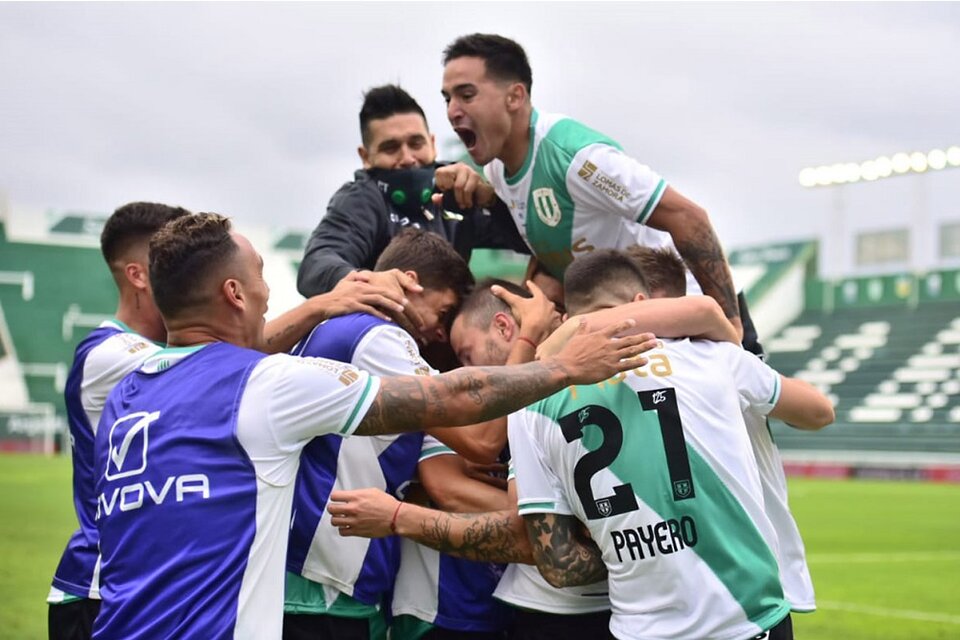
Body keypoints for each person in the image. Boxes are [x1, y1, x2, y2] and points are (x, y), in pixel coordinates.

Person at [89, 213, 655, 640]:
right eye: (260, 277)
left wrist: (320, 306)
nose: (269, 294)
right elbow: (473, 419)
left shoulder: (131, 392)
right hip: (318, 592)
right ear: (234, 293)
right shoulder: (335, 351)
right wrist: (558, 363)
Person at [46, 202, 437, 640]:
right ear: (142, 275)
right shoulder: (111, 357)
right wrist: (324, 305)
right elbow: (216, 363)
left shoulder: (169, 363)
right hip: (97, 581)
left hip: (147, 581)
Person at [511, 249, 833, 639]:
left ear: (568, 314)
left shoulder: (531, 408)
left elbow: (559, 564)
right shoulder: (712, 357)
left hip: (640, 627)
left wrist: (639, 550)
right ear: (643, 303)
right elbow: (819, 412)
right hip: (744, 619)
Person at [435, 33, 744, 339]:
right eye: (448, 98)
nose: (452, 111)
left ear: (515, 96)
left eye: (467, 95)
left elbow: (689, 217)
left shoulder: (575, 156)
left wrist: (730, 323)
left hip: (690, 324)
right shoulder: (497, 170)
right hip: (630, 329)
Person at [284, 228, 509, 640]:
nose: (441, 332)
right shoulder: (376, 336)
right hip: (323, 576)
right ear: (409, 282)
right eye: (443, 313)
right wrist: (530, 342)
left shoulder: (337, 328)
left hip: (322, 569)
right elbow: (480, 440)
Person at [297, 84, 528, 301]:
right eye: (391, 148)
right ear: (365, 157)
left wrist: (490, 200)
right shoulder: (361, 200)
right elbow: (314, 267)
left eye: (416, 144)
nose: (407, 159)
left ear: (433, 144)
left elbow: (530, 241)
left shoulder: (456, 188)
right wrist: (376, 283)